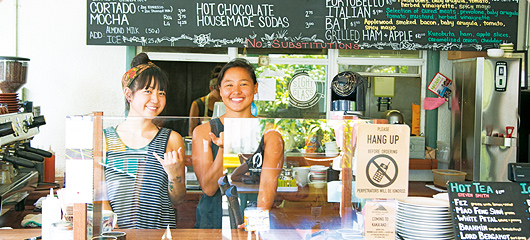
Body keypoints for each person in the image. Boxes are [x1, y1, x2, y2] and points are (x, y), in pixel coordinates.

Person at [191, 58, 284, 229]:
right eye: (228, 85)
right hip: (211, 224)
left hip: (252, 222)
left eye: (243, 84)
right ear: (219, 90)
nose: (236, 91)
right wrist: (224, 149)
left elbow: (268, 184)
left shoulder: (270, 134)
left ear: (255, 88)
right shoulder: (203, 132)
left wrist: (254, 223)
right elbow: (210, 188)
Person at [102, 54, 186, 229]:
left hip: (159, 234)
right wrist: (114, 232)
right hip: (117, 236)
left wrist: (173, 174)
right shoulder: (105, 139)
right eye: (148, 91)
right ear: (128, 94)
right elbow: (99, 198)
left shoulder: (171, 139)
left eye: (161, 93)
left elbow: (177, 199)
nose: (155, 99)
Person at [188, 66, 223, 136]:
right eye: (218, 90)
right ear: (211, 88)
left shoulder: (226, 104)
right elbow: (191, 131)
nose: (221, 92)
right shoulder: (198, 104)